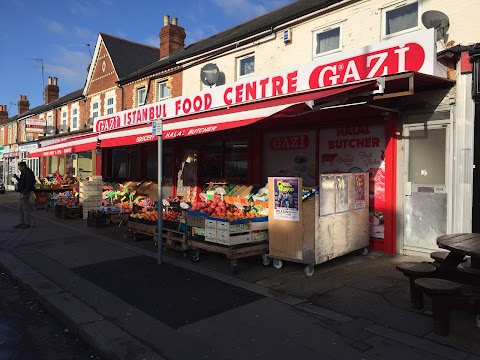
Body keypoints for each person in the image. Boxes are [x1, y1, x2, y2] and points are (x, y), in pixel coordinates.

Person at [13, 161, 36, 229]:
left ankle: (27, 223)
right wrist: (17, 178)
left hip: (26, 192)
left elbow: (28, 184)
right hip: (22, 192)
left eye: (19, 167)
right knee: (20, 208)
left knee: (25, 208)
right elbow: (22, 182)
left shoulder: (28, 173)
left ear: (23, 167)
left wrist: (25, 193)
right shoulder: (23, 173)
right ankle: (21, 222)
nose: (19, 169)